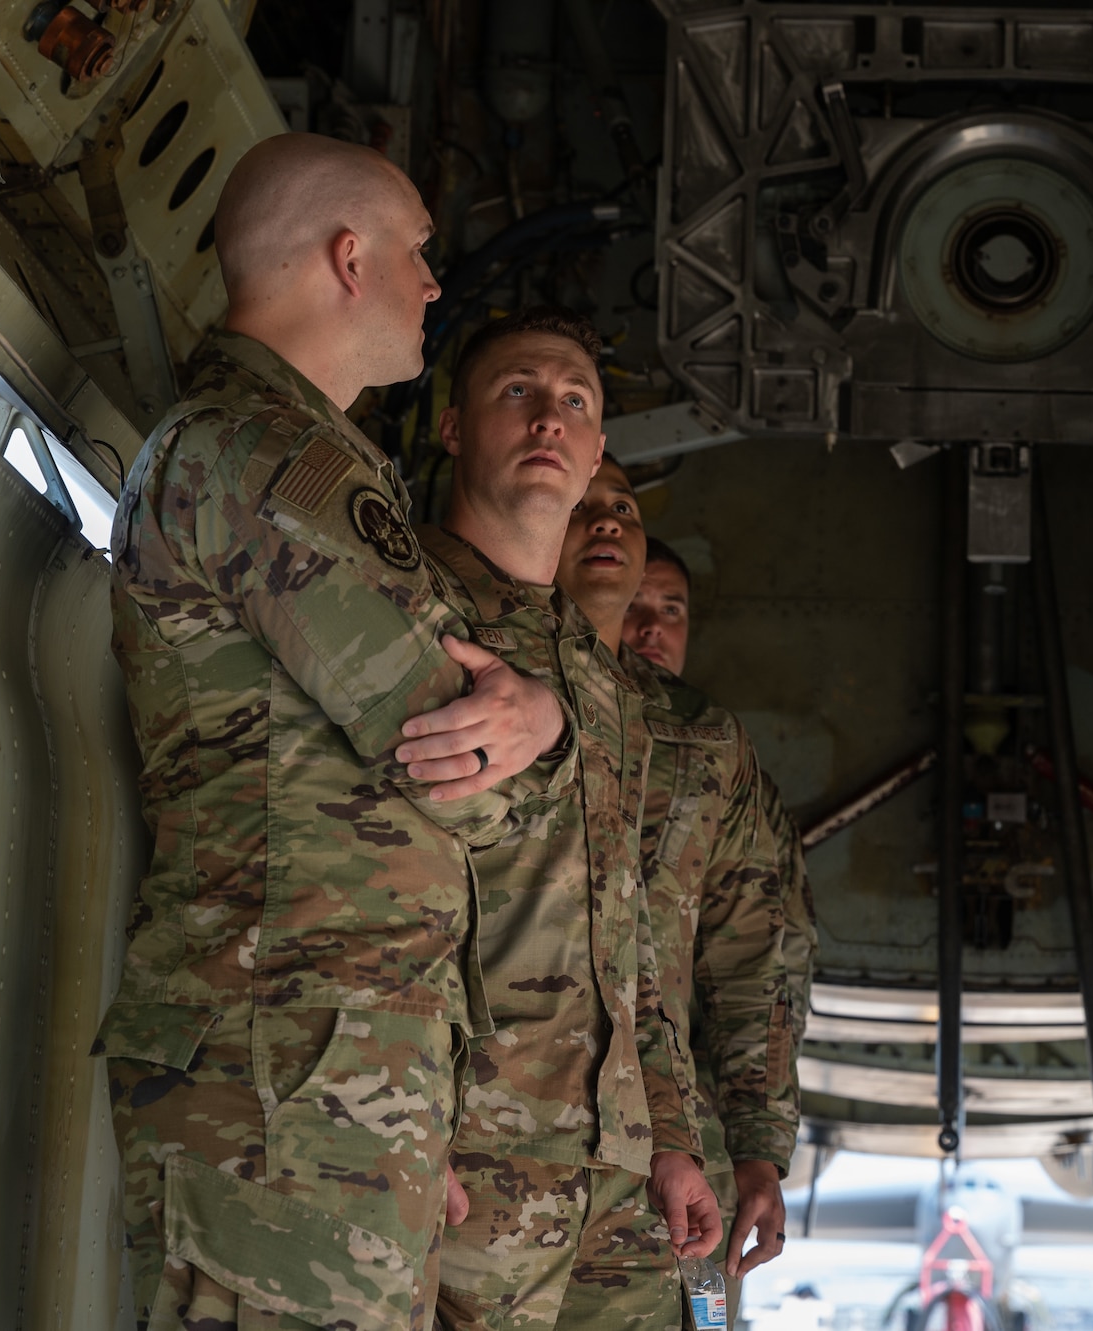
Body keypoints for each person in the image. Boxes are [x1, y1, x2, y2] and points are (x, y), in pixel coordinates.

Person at [98, 134, 573, 1331]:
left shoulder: (295, 454)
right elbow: (458, 761)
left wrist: (540, 711)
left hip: (331, 1078)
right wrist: (528, 733)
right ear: (348, 257)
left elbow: (472, 738)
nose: (432, 282)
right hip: (283, 1077)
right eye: (418, 251)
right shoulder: (259, 457)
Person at [416, 306, 722, 1330]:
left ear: (595, 448)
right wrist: (404, 1127)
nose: (548, 418)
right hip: (455, 1154)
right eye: (516, 392)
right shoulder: (404, 604)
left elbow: (626, 932)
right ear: (453, 426)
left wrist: (669, 1133)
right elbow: (357, 892)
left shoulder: (595, 676)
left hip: (596, 1166)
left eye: (574, 402)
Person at [559, 459, 816, 1315]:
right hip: (511, 1134)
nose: (649, 628)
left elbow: (757, 960)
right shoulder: (503, 688)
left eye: (671, 609)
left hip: (670, 1150)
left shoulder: (704, 747)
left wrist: (756, 1145)